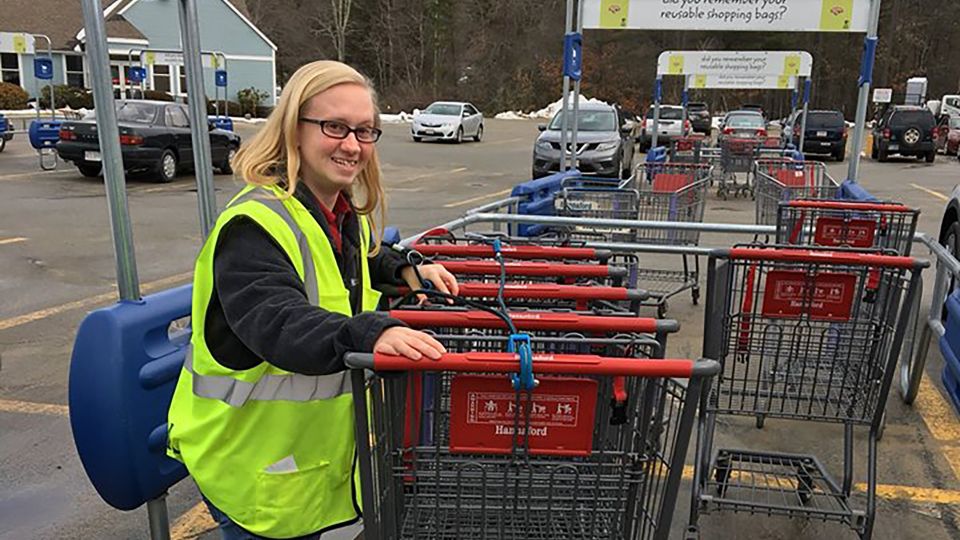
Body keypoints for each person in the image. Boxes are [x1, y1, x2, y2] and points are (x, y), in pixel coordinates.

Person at [167, 60, 459, 539]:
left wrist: (406, 268)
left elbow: (364, 257)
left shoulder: (340, 213)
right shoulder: (254, 226)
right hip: (251, 466)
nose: (352, 145)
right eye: (335, 126)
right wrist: (372, 330)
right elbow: (279, 321)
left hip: (301, 464)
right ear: (293, 129)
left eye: (365, 131)